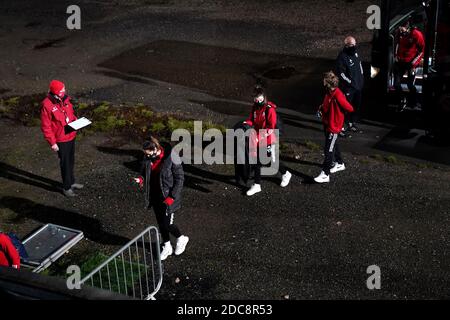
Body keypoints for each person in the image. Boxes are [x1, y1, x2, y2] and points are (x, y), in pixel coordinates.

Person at [133, 136, 189, 261]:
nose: (147, 157)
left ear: (156, 149)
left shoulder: (172, 157)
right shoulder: (148, 157)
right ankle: (167, 245)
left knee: (167, 223)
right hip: (154, 194)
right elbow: (144, 171)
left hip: (167, 196)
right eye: (145, 155)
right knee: (160, 223)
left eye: (149, 154)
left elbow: (180, 178)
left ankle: (181, 238)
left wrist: (172, 196)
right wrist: (141, 179)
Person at [243, 86, 292, 196]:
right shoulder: (254, 108)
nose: (257, 100)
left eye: (259, 97)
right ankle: (257, 185)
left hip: (269, 139)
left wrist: (260, 136)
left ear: (264, 96)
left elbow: (271, 127)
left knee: (270, 161)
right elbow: (251, 120)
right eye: (255, 98)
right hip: (258, 138)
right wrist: (246, 124)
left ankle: (285, 173)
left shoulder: (269, 109)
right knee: (259, 161)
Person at [40, 80, 83, 197]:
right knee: (65, 163)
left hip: (71, 135)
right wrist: (52, 143)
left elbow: (71, 115)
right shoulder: (47, 105)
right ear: (55, 92)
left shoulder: (65, 99)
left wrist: (77, 122)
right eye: (62, 90)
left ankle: (71, 182)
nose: (64, 91)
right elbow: (46, 126)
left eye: (64, 89)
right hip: (61, 140)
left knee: (71, 160)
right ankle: (66, 187)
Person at [315, 71, 354, 184]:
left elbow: (350, 108)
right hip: (327, 124)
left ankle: (325, 174)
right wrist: (321, 108)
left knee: (328, 150)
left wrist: (338, 115)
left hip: (333, 127)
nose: (322, 82)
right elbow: (326, 105)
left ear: (327, 83)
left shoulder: (338, 95)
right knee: (333, 144)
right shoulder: (329, 93)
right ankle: (340, 163)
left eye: (324, 80)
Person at [393, 20, 425, 111]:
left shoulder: (416, 34)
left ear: (407, 26)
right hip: (400, 62)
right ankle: (402, 100)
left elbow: (422, 50)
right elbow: (396, 44)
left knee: (410, 84)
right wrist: (396, 56)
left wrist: (414, 64)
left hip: (411, 63)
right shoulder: (399, 32)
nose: (400, 30)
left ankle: (414, 102)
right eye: (399, 28)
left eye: (401, 28)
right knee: (396, 84)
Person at [336, 36, 364, 136]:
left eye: (354, 44)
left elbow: (360, 66)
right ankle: (341, 126)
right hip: (349, 88)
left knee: (356, 106)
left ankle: (351, 123)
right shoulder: (342, 57)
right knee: (345, 108)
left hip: (358, 87)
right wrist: (350, 83)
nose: (354, 46)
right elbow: (341, 73)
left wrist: (361, 80)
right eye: (351, 45)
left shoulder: (356, 54)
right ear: (346, 45)